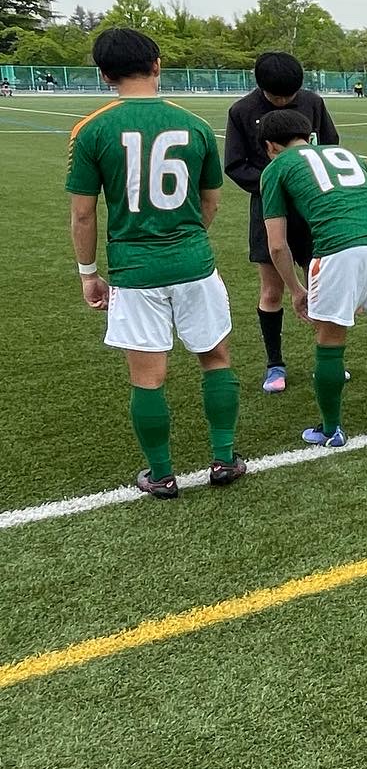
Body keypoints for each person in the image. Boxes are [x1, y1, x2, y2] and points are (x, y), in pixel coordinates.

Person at [64, 28, 244, 498]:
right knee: (215, 359)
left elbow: (83, 214)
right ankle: (225, 459)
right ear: (157, 64)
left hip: (134, 271)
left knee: (148, 377)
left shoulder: (91, 129)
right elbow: (211, 201)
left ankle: (162, 475)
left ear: (104, 75)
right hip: (194, 264)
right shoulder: (196, 125)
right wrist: (187, 239)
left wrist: (88, 274)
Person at [257, 109, 367, 447]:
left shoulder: (276, 168)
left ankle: (331, 429)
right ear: (308, 136)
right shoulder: (349, 154)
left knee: (330, 339)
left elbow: (277, 245)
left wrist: (296, 289)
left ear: (270, 146)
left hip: (338, 248)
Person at [225, 52, 340, 393]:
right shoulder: (242, 111)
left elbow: (329, 146)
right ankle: (275, 365)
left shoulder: (313, 103)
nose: (284, 101)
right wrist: (276, 182)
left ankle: (327, 360)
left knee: (320, 287)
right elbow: (235, 165)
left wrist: (306, 183)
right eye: (277, 97)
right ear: (261, 88)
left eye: (290, 96)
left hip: (312, 209)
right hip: (270, 210)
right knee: (272, 290)